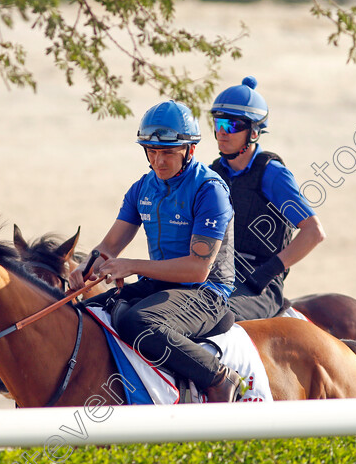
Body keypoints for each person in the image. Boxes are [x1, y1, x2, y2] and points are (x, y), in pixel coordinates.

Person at [67, 100, 241, 402]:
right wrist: (86, 265)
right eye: (152, 151)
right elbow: (109, 247)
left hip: (206, 293)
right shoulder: (142, 187)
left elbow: (197, 269)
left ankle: (220, 377)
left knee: (138, 322)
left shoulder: (209, 190)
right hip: (163, 287)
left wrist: (132, 266)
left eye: (168, 153)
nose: (159, 161)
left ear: (190, 150)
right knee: (85, 313)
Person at [209, 76, 325, 321]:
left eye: (231, 126)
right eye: (218, 124)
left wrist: (267, 272)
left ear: (253, 132)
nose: (222, 133)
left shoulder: (272, 174)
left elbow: (313, 232)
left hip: (259, 285)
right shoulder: (213, 173)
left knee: (216, 317)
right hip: (217, 273)